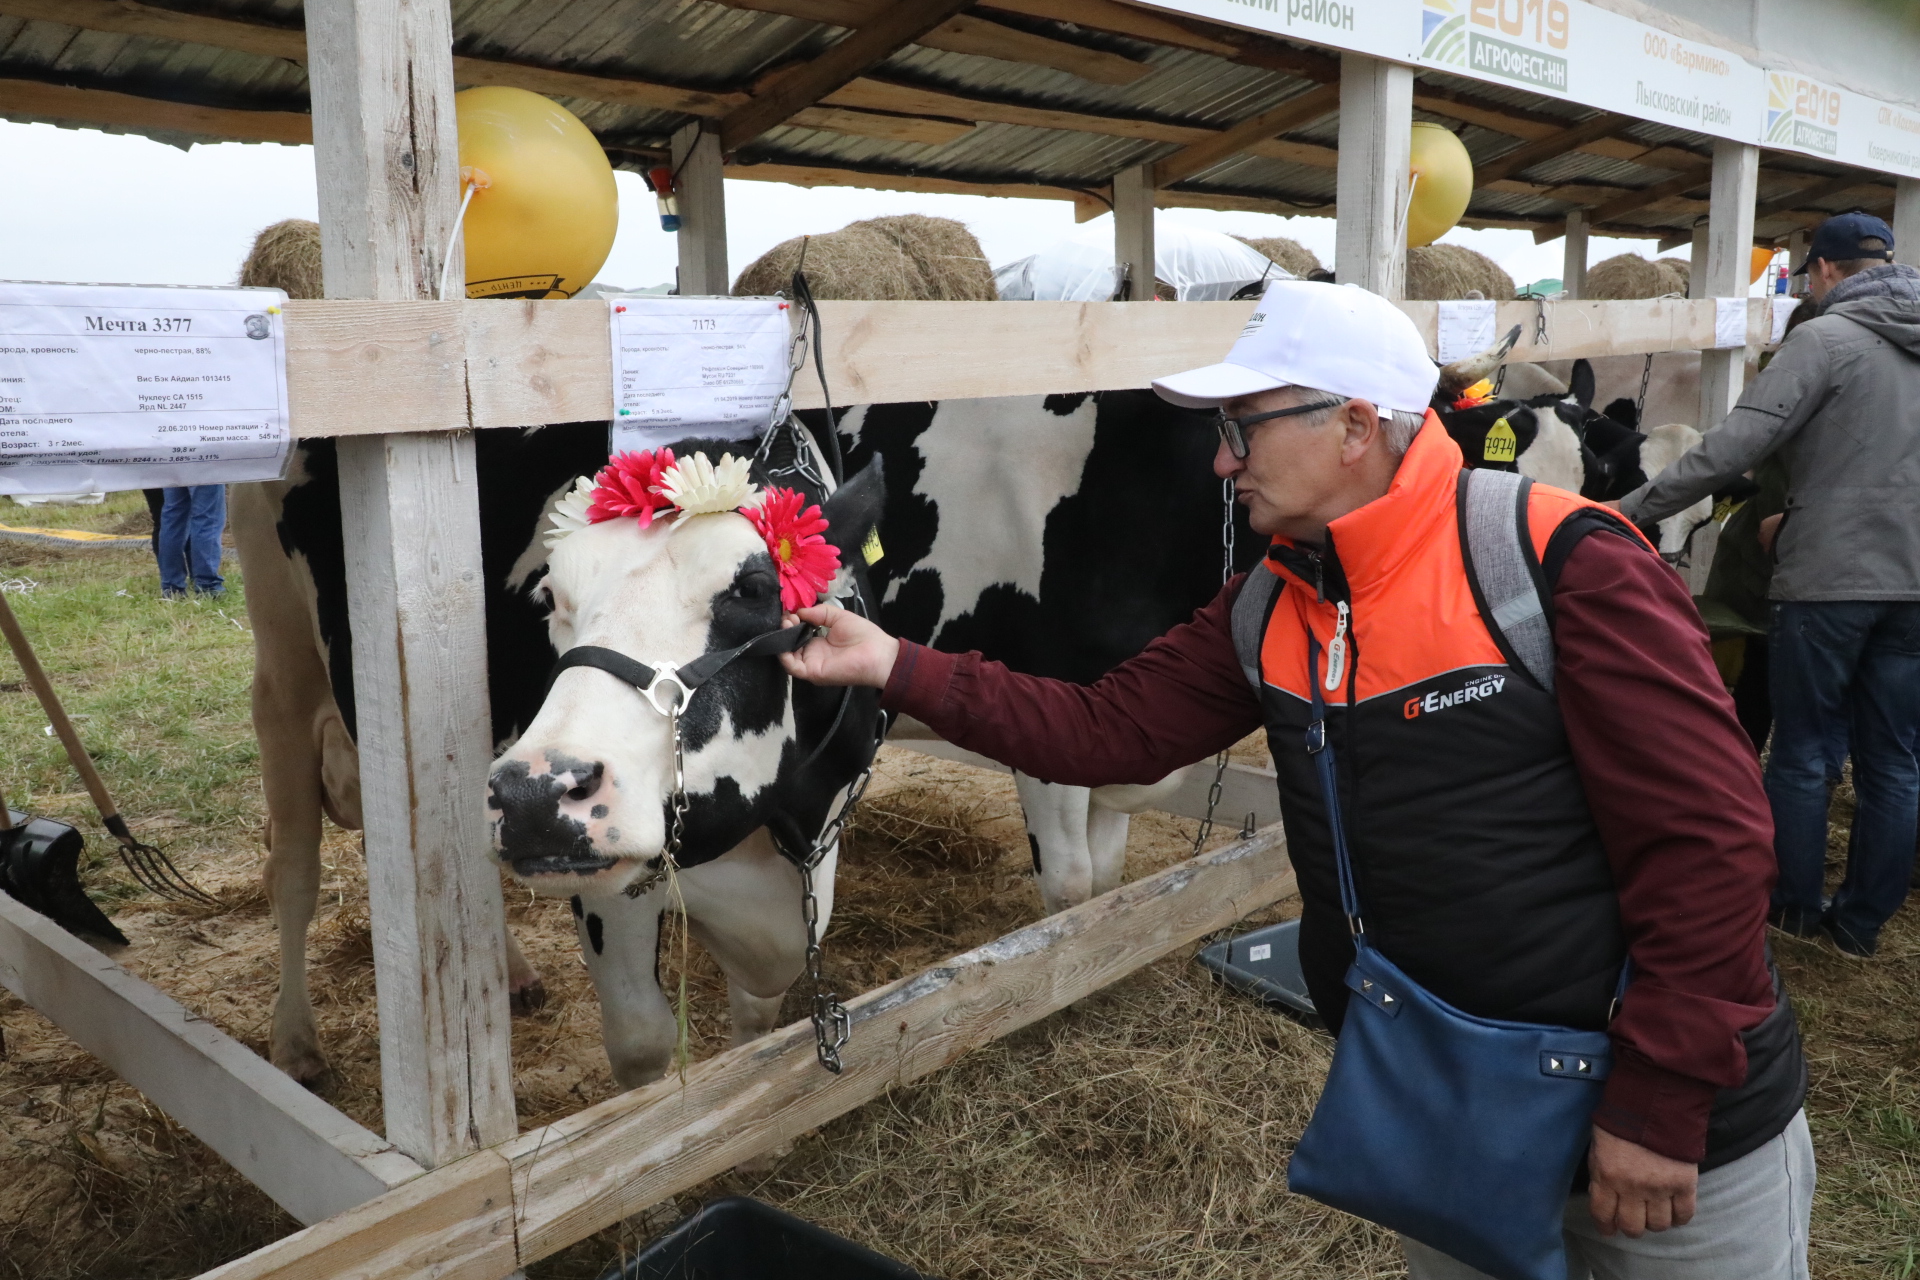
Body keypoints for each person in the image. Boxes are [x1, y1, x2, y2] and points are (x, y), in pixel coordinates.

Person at [782, 280, 1810, 1279]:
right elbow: (1107, 729)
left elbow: (1710, 844)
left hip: (1648, 1126)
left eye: (1246, 427)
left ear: (1356, 423)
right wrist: (894, 662)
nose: (1223, 460)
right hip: (1442, 1107)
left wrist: (1662, 1103)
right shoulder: (1273, 602)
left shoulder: (1559, 564)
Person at [1618, 211, 1920, 959]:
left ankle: (1790, 914)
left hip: (1827, 580)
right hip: (1914, 586)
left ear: (1820, 271)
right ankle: (1857, 929)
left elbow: (1735, 446)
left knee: (1805, 754)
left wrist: (1625, 511)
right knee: (1893, 758)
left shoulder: (1824, 339)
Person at [155, 484, 227, 598]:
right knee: (208, 518)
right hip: (204, 467)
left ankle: (171, 587)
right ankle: (207, 586)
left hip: (171, 468)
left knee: (173, 516)